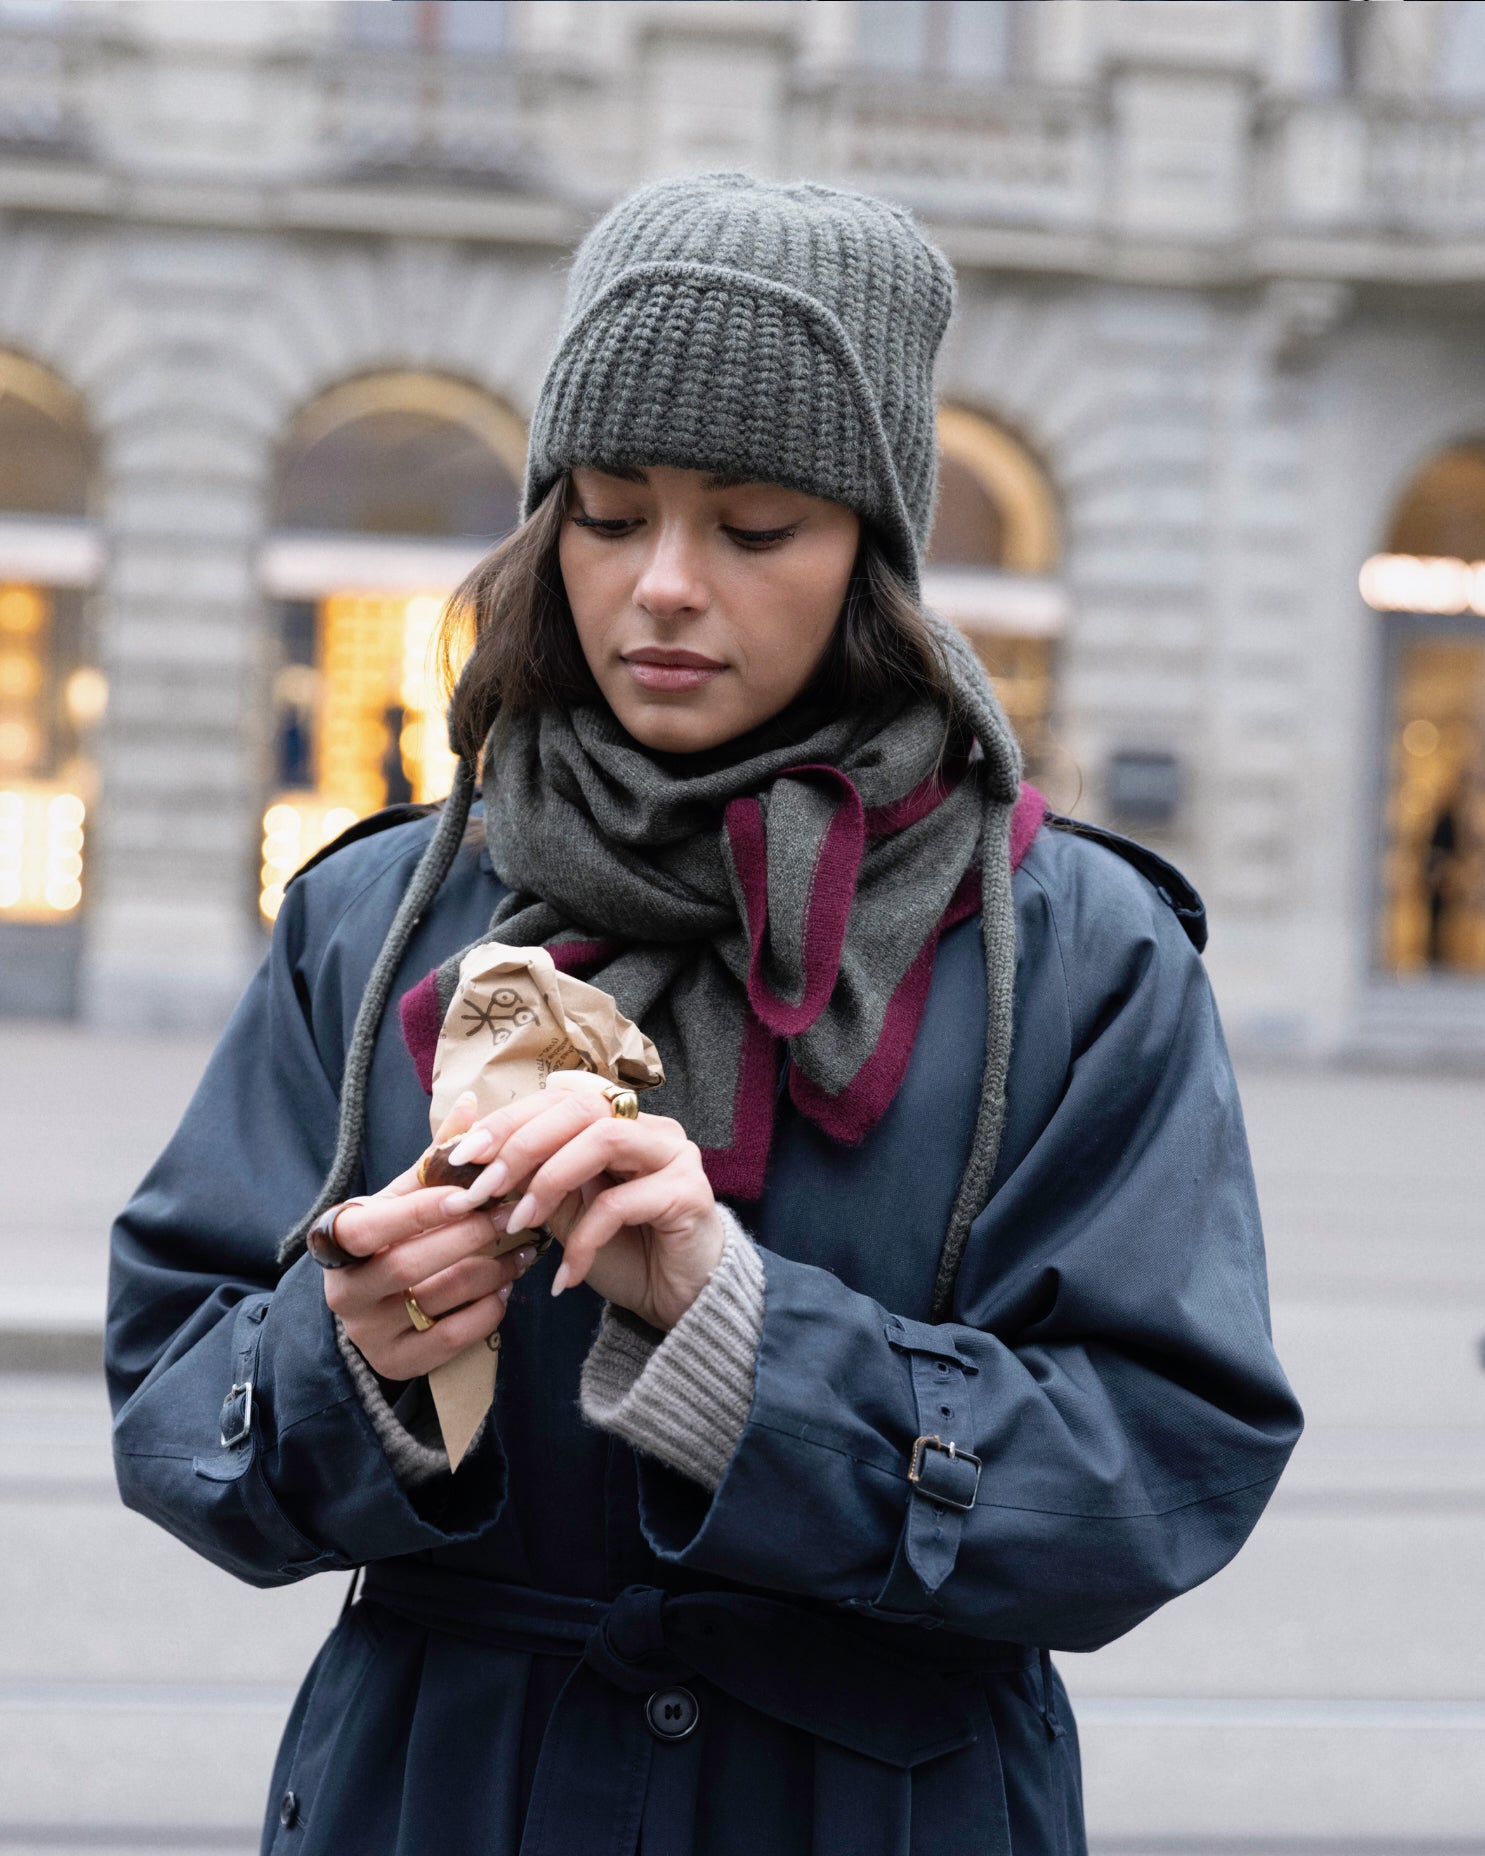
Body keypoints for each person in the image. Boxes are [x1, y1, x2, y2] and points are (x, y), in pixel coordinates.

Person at [107, 174, 1302, 1856]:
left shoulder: (1074, 942)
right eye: (606, 511)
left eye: (752, 528)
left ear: (871, 556)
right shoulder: (374, 913)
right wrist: (350, 1360)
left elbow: (1162, 1469)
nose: (664, 584)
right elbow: (173, 1395)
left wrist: (749, 1349)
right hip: (433, 1799)